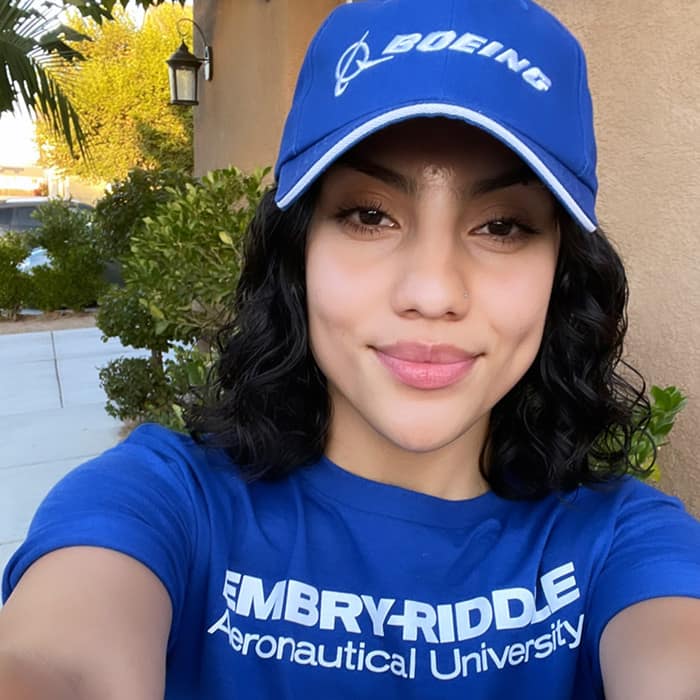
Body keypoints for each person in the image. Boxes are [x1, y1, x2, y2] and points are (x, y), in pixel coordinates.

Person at [1, 0, 699, 697]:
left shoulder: (623, 545)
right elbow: (60, 665)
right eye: (369, 215)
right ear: (297, 252)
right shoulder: (164, 504)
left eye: (503, 226)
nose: (432, 290)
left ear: (563, 272)